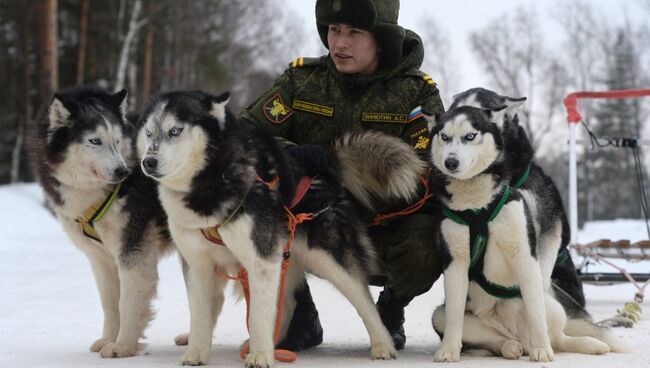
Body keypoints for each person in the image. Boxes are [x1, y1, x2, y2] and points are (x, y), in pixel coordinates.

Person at [240, 0, 443, 351]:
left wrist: (347, 178)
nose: (340, 44)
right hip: (308, 227)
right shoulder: (301, 81)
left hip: (382, 229)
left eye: (354, 32)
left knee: (432, 239)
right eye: (334, 30)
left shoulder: (416, 92)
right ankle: (298, 314)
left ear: (381, 38)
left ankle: (391, 310)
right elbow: (243, 133)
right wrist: (292, 158)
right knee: (248, 202)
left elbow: (431, 169)